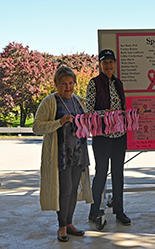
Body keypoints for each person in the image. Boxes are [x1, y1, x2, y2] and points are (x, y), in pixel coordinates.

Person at [33, 66, 93, 242]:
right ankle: (62, 227)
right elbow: (37, 127)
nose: (68, 87)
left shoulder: (79, 102)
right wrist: (59, 121)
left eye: (71, 83)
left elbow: (91, 121)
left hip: (79, 152)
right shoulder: (49, 102)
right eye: (64, 83)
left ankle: (70, 223)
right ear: (56, 84)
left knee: (74, 189)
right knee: (65, 191)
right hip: (61, 155)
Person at [86, 49, 142, 227]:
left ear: (115, 64)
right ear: (100, 65)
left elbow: (121, 112)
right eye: (105, 62)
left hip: (120, 135)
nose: (108, 65)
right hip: (102, 136)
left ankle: (119, 211)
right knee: (101, 174)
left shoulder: (119, 83)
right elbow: (89, 111)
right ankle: (94, 212)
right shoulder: (93, 83)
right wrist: (105, 113)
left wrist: (132, 114)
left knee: (118, 174)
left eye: (111, 62)